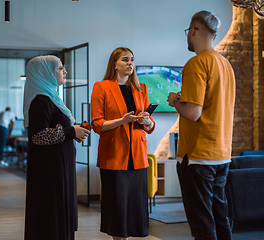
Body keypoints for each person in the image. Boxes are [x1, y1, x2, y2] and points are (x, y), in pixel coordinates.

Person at [167, 10, 235, 240]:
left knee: (202, 225)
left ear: (194, 30)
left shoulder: (196, 64)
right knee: (220, 219)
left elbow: (193, 113)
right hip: (222, 154)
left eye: (189, 31)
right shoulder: (226, 65)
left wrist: (175, 100)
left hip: (198, 156)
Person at [23, 55, 91, 240]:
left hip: (59, 167)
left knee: (59, 213)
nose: (65, 72)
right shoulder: (40, 102)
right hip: (49, 172)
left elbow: (53, 132)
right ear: (44, 73)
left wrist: (74, 132)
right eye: (60, 68)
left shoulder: (52, 98)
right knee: (51, 216)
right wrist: (70, 132)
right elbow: (39, 136)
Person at [91, 47, 155, 240]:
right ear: (114, 64)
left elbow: (149, 125)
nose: (130, 63)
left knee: (136, 207)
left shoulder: (141, 88)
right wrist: (122, 120)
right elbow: (97, 124)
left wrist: (147, 121)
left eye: (132, 60)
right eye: (125, 60)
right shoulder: (101, 87)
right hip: (114, 155)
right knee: (118, 207)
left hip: (138, 156)